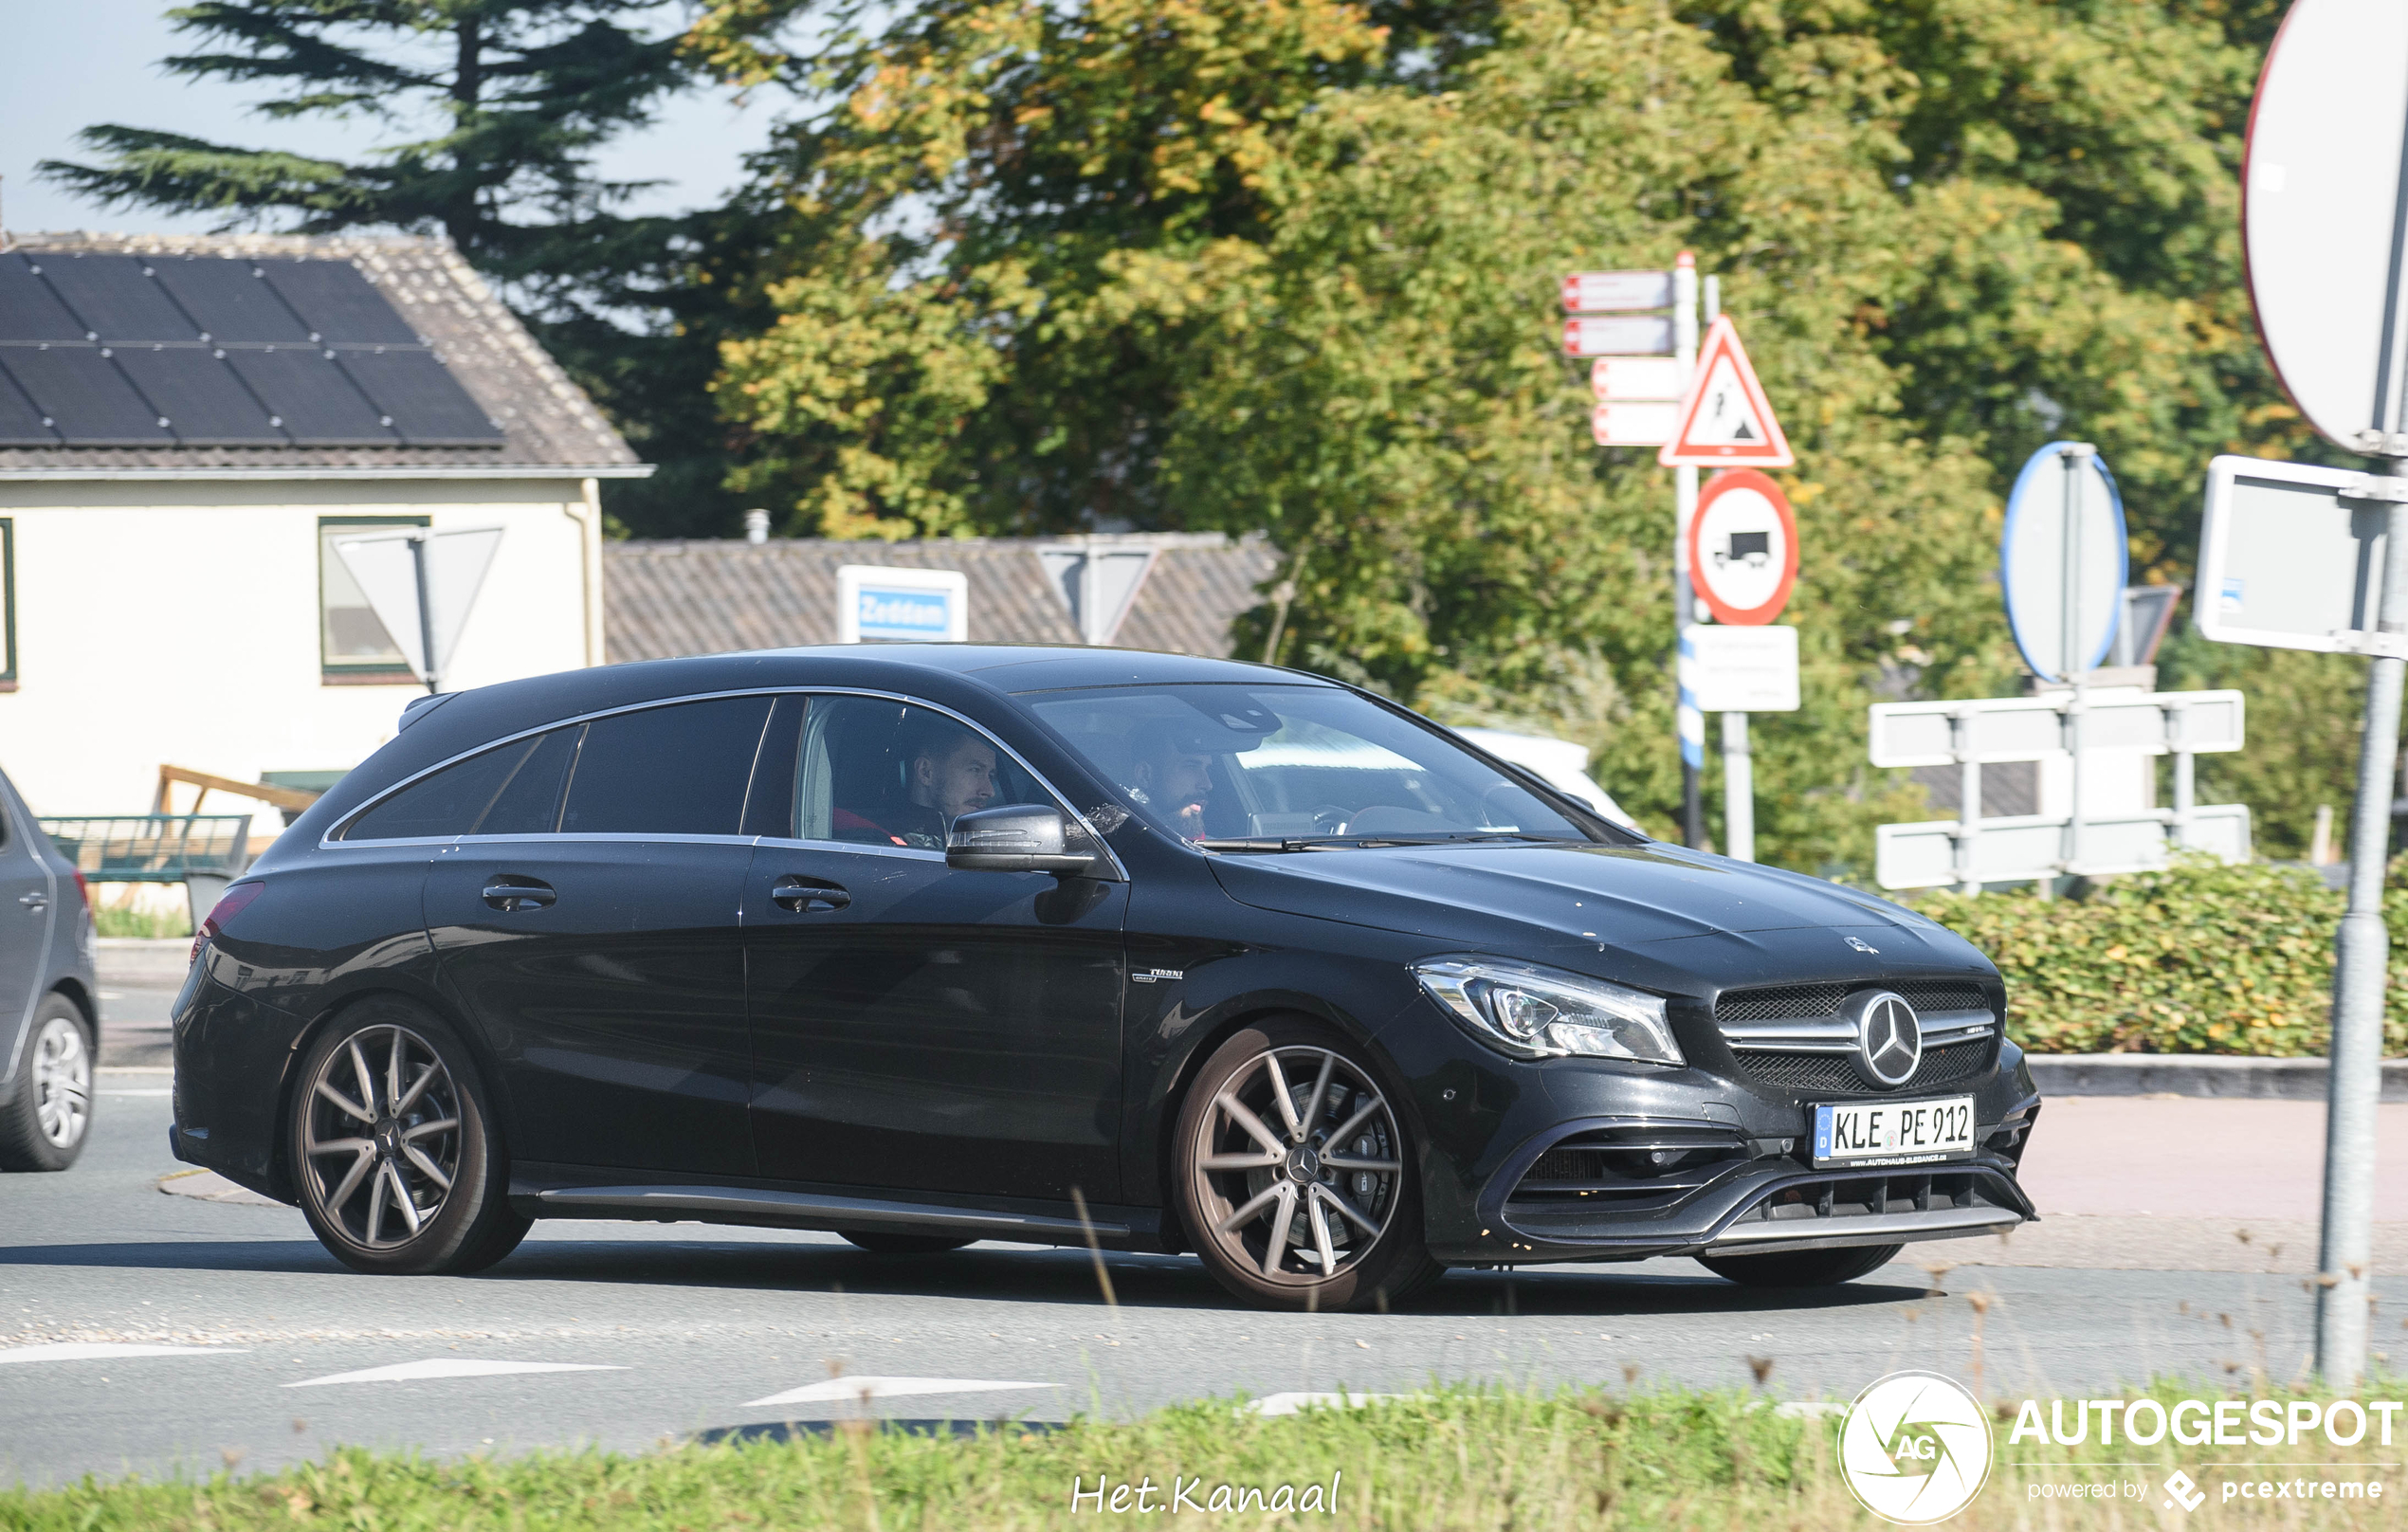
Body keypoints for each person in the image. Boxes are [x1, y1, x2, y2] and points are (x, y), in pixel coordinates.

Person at [833, 719, 998, 848]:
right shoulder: (879, 848)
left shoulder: (983, 841)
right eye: (975, 770)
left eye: (991, 775)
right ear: (925, 772)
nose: (990, 791)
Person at [1129, 732, 1215, 841]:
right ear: (1145, 775)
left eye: (1208, 770)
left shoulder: (1220, 851)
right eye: (1191, 766)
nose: (1208, 785)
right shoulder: (1110, 849)